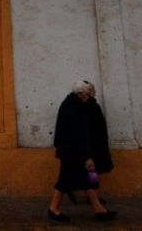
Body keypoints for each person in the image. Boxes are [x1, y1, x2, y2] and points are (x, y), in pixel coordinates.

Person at [47, 80, 117, 222]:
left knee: (82, 179)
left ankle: (98, 210)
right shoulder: (74, 109)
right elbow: (79, 135)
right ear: (82, 94)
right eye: (90, 94)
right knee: (65, 181)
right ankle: (53, 209)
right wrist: (88, 156)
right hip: (72, 152)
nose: (92, 96)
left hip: (72, 151)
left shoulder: (74, 105)